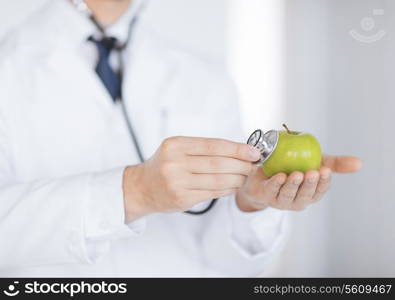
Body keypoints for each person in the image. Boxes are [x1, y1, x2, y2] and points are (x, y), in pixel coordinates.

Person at [0, 0, 361, 277]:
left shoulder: (205, 78)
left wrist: (249, 203)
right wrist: (134, 191)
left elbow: (225, 263)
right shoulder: (9, 66)